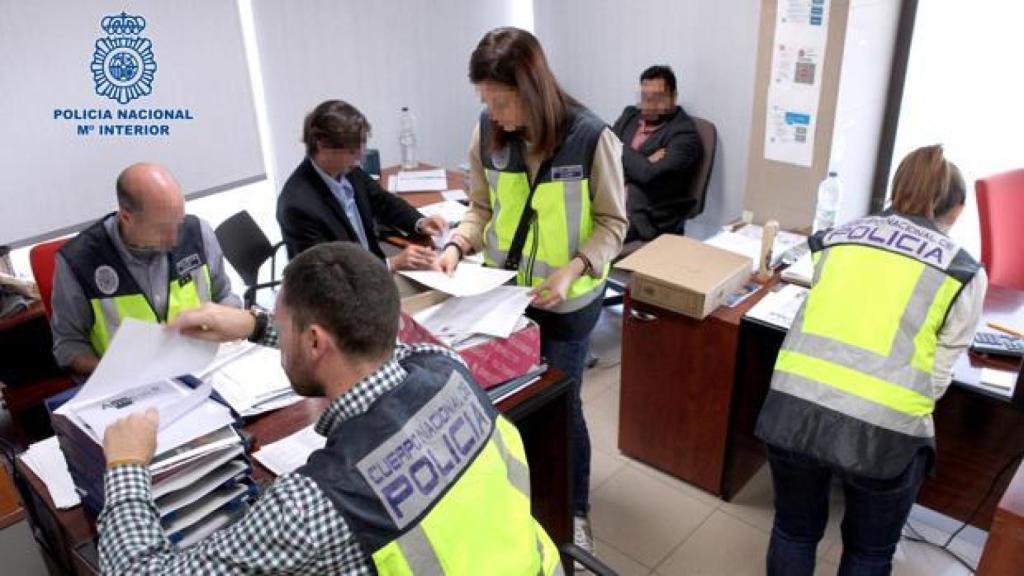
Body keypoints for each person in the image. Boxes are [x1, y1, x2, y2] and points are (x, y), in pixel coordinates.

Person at [99, 242, 563, 574]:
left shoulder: (312, 505)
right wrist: (254, 324)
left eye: (286, 327)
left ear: (316, 341)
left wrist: (125, 465)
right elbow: (371, 342)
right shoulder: (446, 367)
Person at [437, 27, 627, 557]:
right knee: (502, 404)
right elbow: (479, 207)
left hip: (568, 304)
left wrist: (573, 268)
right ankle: (518, 501)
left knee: (561, 408)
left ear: (531, 87)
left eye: (500, 101)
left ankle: (574, 512)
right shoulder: (487, 134)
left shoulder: (592, 138)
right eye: (485, 101)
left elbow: (614, 224)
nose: (492, 113)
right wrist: (457, 243)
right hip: (501, 302)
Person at [754, 145, 988, 575]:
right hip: (886, 431)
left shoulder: (838, 235)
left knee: (793, 529)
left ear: (896, 191)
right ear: (957, 211)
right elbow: (936, 378)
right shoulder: (963, 270)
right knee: (869, 551)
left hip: (793, 408)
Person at [50, 163, 240, 379]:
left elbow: (224, 295)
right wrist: (116, 370)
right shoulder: (78, 262)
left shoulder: (197, 233)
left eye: (177, 223)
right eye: (161, 229)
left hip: (203, 369)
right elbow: (68, 345)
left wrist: (228, 323)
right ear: (126, 217)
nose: (174, 239)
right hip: (130, 386)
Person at [276, 99, 447, 270]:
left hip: (376, 275)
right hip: (347, 291)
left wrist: (420, 222)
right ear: (322, 146)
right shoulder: (297, 207)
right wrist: (391, 264)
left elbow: (383, 201)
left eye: (361, 146)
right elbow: (323, 276)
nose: (360, 157)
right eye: (351, 151)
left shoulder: (348, 171)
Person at [612, 65, 703, 240]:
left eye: (657, 98)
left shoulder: (684, 135)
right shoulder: (630, 115)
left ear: (673, 97)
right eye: (645, 97)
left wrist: (618, 150)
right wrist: (644, 161)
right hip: (611, 201)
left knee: (588, 238)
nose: (649, 105)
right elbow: (604, 153)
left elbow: (650, 176)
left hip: (644, 217)